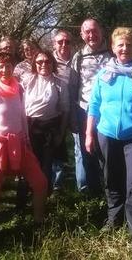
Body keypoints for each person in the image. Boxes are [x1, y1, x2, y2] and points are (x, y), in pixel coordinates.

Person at [85, 27, 132, 241]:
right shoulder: (103, 75)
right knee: (111, 179)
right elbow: (93, 106)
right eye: (120, 44)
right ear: (113, 47)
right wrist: (89, 134)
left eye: (129, 45)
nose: (125, 49)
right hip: (107, 135)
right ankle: (114, 219)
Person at [0, 52, 48, 234]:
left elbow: (22, 118)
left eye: (8, 66)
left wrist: (27, 142)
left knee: (40, 183)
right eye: (0, 66)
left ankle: (39, 225)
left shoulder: (19, 89)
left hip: (19, 144)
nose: (5, 70)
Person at [16, 49, 69, 207]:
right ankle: (21, 204)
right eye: (39, 62)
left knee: (45, 168)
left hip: (50, 129)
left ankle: (41, 204)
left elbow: (65, 111)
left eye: (47, 61)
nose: (43, 64)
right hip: (29, 127)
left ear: (52, 63)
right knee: (26, 166)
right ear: (34, 64)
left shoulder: (60, 84)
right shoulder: (27, 81)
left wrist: (61, 133)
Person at [71, 18, 113, 195]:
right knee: (87, 152)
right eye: (87, 32)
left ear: (101, 31)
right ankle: (93, 193)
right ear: (82, 35)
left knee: (108, 152)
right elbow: (72, 87)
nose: (91, 35)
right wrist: (73, 115)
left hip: (108, 112)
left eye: (94, 30)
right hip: (84, 110)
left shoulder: (113, 54)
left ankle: (110, 189)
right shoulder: (78, 57)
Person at [50, 29, 76, 192]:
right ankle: (56, 183)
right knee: (56, 145)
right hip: (55, 109)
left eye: (67, 41)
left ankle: (84, 182)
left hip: (75, 107)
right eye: (60, 42)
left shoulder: (77, 59)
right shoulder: (48, 61)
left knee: (80, 144)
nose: (64, 45)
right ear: (54, 44)